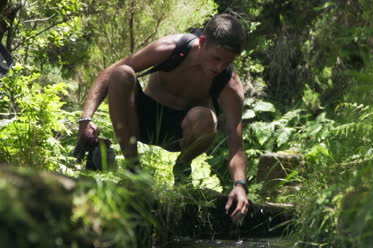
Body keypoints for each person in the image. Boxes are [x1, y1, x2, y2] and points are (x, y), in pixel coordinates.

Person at [77, 14, 249, 219]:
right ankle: (133, 169)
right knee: (121, 73)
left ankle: (183, 167)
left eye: (228, 61)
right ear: (202, 42)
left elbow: (236, 145)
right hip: (141, 121)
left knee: (206, 117)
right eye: (216, 58)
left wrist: (240, 185)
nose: (220, 67)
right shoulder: (173, 48)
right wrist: (86, 120)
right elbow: (108, 73)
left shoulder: (229, 84)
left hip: (181, 133)